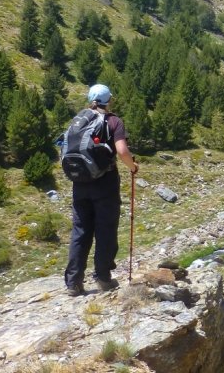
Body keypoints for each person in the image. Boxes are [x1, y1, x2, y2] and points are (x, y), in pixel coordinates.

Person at [64, 83, 138, 296]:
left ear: (90, 99)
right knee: (105, 229)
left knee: (80, 231)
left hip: (80, 183)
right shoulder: (113, 121)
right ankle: (103, 278)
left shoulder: (79, 120)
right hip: (104, 182)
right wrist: (133, 167)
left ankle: (73, 283)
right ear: (109, 100)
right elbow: (122, 150)